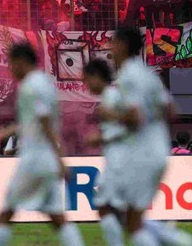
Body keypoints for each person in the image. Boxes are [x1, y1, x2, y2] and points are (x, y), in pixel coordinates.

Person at [101, 27, 192, 246]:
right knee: (130, 217)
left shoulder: (128, 76)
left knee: (127, 219)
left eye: (113, 42)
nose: (110, 46)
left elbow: (134, 118)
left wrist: (109, 113)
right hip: (158, 150)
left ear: (123, 45)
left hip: (142, 153)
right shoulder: (148, 73)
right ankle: (188, 243)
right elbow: (171, 110)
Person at [0, 43, 85, 246]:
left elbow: (43, 121)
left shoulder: (31, 86)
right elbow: (29, 123)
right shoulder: (44, 83)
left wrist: (60, 159)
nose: (10, 69)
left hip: (35, 159)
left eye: (11, 64)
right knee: (58, 218)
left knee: (6, 213)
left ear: (22, 62)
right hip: (46, 159)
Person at [83, 59, 131, 246]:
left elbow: (130, 126)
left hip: (120, 161)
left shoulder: (112, 97)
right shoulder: (111, 96)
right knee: (123, 215)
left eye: (86, 80)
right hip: (117, 159)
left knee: (104, 206)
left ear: (97, 77)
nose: (86, 85)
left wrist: (101, 138)